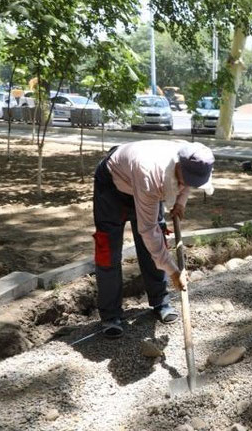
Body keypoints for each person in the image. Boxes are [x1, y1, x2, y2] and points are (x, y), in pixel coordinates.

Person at [92, 140, 215, 338]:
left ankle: (160, 301)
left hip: (142, 180)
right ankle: (111, 315)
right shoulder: (150, 174)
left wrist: (180, 203)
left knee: (155, 244)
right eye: (186, 178)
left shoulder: (196, 158)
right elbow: (148, 229)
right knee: (109, 250)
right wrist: (174, 271)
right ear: (178, 165)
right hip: (113, 187)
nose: (187, 184)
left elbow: (187, 182)